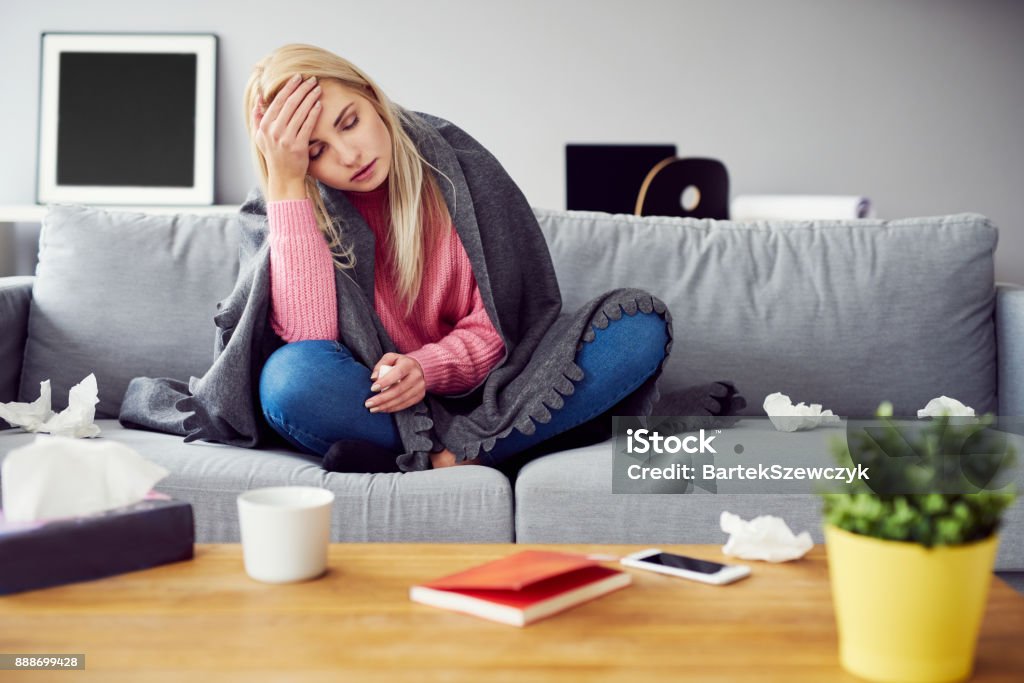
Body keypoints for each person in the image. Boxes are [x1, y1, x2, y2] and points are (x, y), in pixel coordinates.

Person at [237, 43, 678, 472]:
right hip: (382, 403)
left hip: (503, 388)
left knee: (638, 324)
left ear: (371, 96)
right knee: (289, 380)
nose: (349, 155)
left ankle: (446, 457)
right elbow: (313, 340)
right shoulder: (286, 205)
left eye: (349, 122)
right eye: (315, 151)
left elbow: (501, 326)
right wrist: (288, 185)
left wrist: (425, 369)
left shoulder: (456, 162)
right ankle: (506, 444)